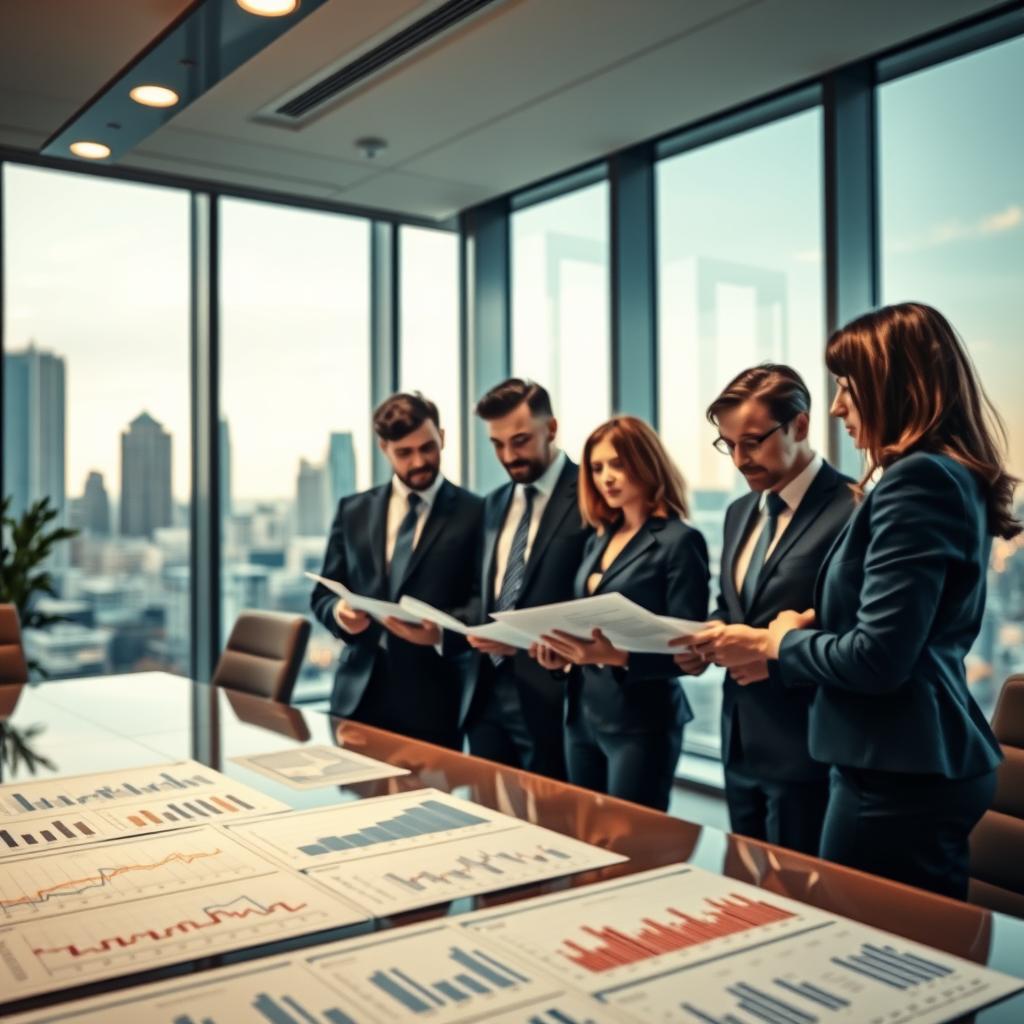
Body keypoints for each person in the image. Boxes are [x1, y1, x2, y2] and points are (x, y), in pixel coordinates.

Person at [690, 303, 1016, 900]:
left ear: (894, 385)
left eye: (847, 386)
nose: (839, 404)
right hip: (897, 762)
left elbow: (878, 657)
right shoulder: (937, 476)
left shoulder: (917, 481)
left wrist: (779, 641)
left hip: (893, 771)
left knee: (874, 961)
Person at [673, 365, 856, 855]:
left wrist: (771, 657)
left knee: (805, 905)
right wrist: (706, 642)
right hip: (739, 743)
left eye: (752, 441)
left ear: (799, 425)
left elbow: (860, 637)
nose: (738, 458)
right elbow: (732, 608)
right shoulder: (739, 512)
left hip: (809, 749)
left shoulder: (854, 509)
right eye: (727, 444)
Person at [533, 416, 709, 811]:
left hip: (641, 723)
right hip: (582, 716)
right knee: (588, 838)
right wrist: (561, 655)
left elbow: (692, 650)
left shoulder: (680, 541)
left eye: (618, 464)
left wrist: (616, 656)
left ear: (646, 464)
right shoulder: (600, 537)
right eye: (597, 468)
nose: (606, 478)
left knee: (632, 841)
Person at [309, 392, 482, 750]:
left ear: (443, 438)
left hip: (435, 700)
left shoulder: (475, 513)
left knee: (427, 806)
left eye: (428, 447)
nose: (419, 461)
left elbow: (483, 600)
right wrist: (340, 614)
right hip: (357, 697)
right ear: (384, 448)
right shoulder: (353, 511)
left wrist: (439, 633)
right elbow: (323, 595)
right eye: (405, 453)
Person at [461, 379, 588, 779]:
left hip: (555, 695)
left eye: (520, 440)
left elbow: (598, 595)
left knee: (558, 826)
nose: (509, 455)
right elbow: (488, 592)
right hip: (485, 693)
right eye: (497, 444)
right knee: (491, 823)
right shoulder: (494, 503)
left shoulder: (591, 493)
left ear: (551, 428)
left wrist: (525, 640)